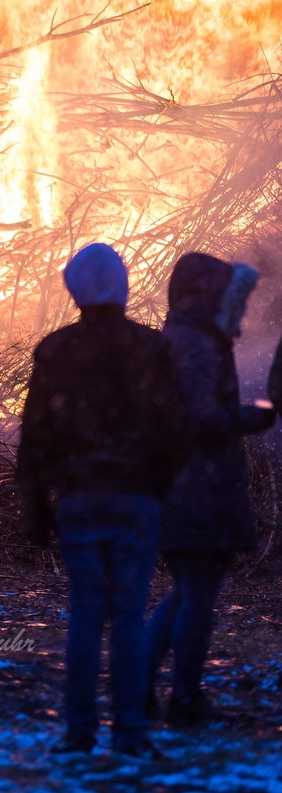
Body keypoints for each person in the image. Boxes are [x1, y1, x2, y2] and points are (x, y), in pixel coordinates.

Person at [17, 243, 187, 757]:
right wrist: (161, 490)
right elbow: (174, 430)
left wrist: (37, 506)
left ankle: (78, 733)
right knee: (130, 618)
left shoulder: (56, 351)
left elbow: (36, 436)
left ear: (74, 288)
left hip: (80, 500)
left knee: (87, 616)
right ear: (123, 284)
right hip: (137, 501)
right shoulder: (151, 348)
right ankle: (131, 733)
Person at [146, 254, 274, 726]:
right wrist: (254, 416)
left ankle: (142, 686)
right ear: (208, 297)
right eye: (230, 298)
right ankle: (183, 701)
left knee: (186, 592)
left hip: (185, 486)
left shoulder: (185, 338)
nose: (238, 310)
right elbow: (198, 418)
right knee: (197, 599)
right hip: (199, 488)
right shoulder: (197, 345)